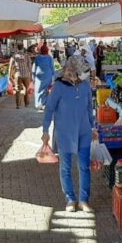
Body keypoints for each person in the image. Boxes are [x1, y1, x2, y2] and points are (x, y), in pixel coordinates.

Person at [41, 55, 98, 213]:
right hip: (64, 133)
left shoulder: (86, 86)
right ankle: (70, 199)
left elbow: (89, 109)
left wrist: (93, 127)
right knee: (65, 167)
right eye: (68, 69)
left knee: (84, 167)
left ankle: (83, 200)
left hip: (84, 132)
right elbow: (49, 109)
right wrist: (45, 130)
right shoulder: (58, 87)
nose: (69, 73)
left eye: (73, 70)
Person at [8, 43, 33, 109]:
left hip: (18, 75)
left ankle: (18, 105)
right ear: (23, 48)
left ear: (17, 48)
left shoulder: (14, 56)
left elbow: (10, 66)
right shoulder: (27, 56)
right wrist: (31, 75)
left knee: (18, 90)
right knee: (26, 90)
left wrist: (9, 75)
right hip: (26, 75)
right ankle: (26, 103)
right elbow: (30, 66)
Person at [32, 45, 56, 111]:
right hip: (48, 76)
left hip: (39, 76)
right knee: (46, 91)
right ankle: (44, 104)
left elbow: (34, 68)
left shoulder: (37, 58)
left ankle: (38, 104)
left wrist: (33, 77)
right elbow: (52, 68)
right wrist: (53, 77)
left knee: (38, 90)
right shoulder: (49, 58)